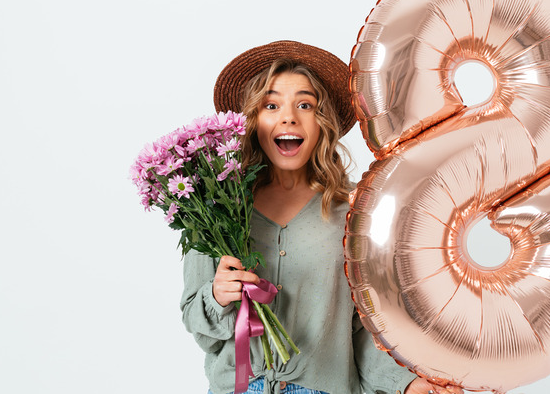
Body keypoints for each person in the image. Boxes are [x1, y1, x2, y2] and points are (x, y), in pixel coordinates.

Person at [180, 41, 464, 394]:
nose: (288, 117)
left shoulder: (355, 216)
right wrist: (218, 296)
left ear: (322, 123)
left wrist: (407, 385)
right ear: (252, 120)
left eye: (305, 105)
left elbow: (364, 331)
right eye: (271, 105)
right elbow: (197, 323)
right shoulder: (216, 211)